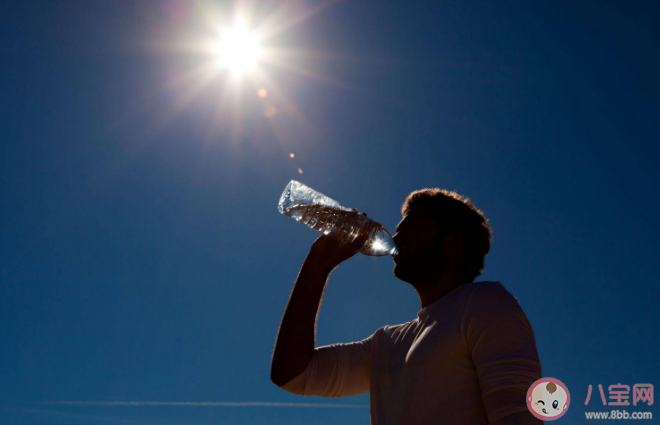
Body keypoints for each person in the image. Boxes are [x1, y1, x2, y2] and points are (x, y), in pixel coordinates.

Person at [270, 188, 543, 425]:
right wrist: (319, 263)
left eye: (411, 227)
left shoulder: (485, 303)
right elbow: (293, 374)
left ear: (453, 241)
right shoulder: (385, 344)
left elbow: (517, 416)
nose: (396, 238)